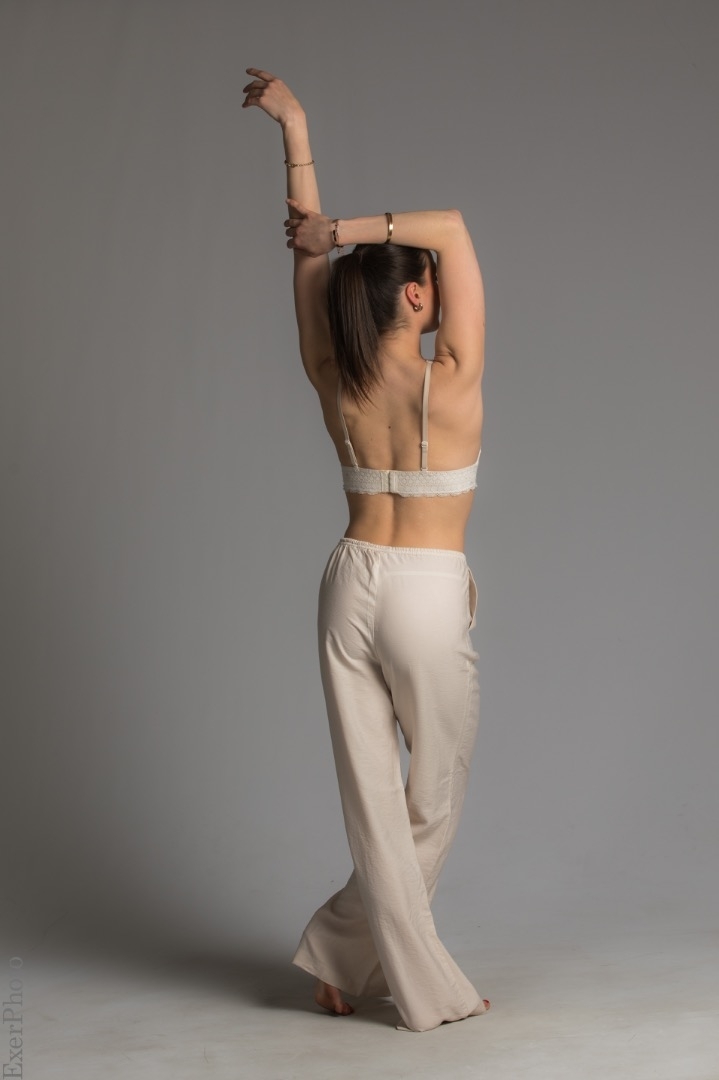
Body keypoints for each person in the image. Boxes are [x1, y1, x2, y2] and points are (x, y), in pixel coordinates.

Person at [243, 67, 490, 1033]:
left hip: (348, 582)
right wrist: (342, 231)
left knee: (374, 801)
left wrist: (295, 132)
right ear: (419, 297)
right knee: (430, 794)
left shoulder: (330, 376)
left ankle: (339, 958)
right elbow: (453, 226)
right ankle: (413, 984)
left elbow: (309, 271)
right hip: (424, 591)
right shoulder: (451, 380)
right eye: (429, 286)